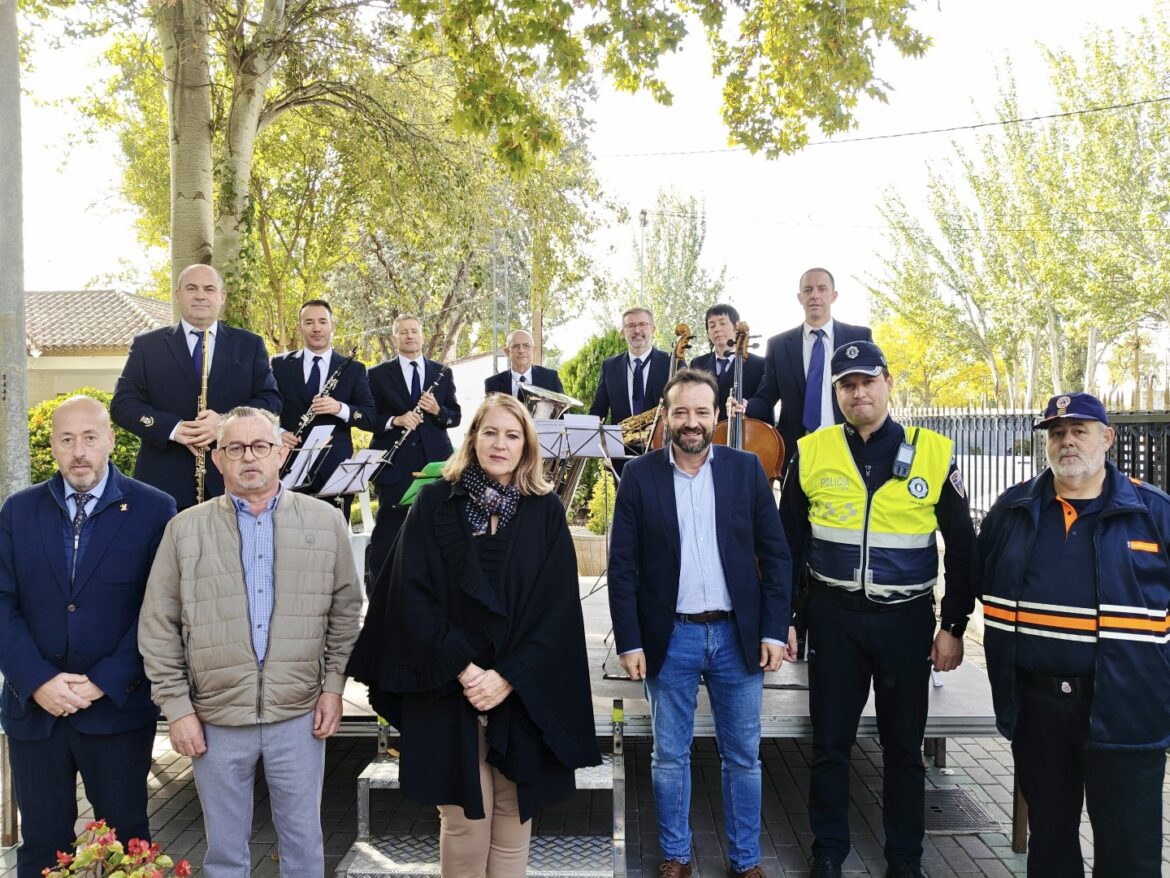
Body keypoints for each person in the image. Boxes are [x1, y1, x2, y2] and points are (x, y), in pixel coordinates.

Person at [347, 393, 600, 878]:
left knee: (511, 818)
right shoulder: (433, 502)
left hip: (518, 686)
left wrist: (506, 676)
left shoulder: (543, 510)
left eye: (512, 435)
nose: (500, 444)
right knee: (464, 821)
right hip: (447, 682)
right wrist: (466, 669)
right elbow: (409, 595)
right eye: (490, 432)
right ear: (473, 438)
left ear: (526, 446)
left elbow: (556, 608)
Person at [779, 341, 975, 878]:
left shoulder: (934, 452)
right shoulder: (812, 450)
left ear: (888, 382)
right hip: (834, 619)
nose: (857, 392)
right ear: (836, 392)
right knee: (831, 744)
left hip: (906, 622)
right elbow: (788, 544)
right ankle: (828, 851)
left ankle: (905, 858)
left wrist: (953, 626)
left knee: (904, 749)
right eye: (846, 384)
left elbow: (962, 546)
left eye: (867, 381)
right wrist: (789, 618)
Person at [138, 406, 361, 877]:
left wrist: (333, 687)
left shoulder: (325, 523)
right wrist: (177, 708)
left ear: (281, 452)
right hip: (215, 719)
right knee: (223, 854)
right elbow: (158, 625)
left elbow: (345, 613)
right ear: (217, 460)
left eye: (260, 446)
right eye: (234, 448)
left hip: (298, 715)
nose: (248, 458)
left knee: (304, 847)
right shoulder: (184, 529)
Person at [607, 367, 793, 878]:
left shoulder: (745, 470)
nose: (691, 422)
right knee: (670, 758)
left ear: (717, 416)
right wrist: (630, 641)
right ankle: (676, 856)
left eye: (701, 412)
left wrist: (775, 628)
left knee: (744, 758)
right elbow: (621, 566)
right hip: (672, 637)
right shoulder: (640, 476)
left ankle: (747, 861)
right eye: (681, 411)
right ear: (666, 417)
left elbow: (775, 556)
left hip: (738, 637)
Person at [977, 392, 1170, 877]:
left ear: (1107, 438)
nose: (1067, 442)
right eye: (1057, 433)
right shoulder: (1013, 510)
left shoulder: (1154, 513)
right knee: (1051, 846)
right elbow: (973, 576)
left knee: (1129, 851)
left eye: (1079, 431)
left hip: (1129, 711)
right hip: (1039, 711)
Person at [0, 396, 176, 878]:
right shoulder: (18, 511)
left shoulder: (155, 509)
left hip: (116, 710)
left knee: (127, 849)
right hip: (35, 714)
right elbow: (2, 603)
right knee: (41, 850)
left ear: (111, 441)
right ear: (53, 446)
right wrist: (38, 681)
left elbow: (158, 610)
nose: (79, 451)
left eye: (90, 438)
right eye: (66, 439)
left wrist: (102, 680)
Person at [111, 263, 281, 510]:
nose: (200, 295)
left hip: (231, 481)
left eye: (209, 289)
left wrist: (224, 423)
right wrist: (173, 428)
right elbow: (122, 406)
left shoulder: (249, 345)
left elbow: (271, 401)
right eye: (192, 288)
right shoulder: (148, 346)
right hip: (163, 481)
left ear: (221, 297)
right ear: (178, 294)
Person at [366, 314, 461, 580]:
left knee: (439, 531)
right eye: (403, 332)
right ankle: (380, 600)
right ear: (394, 337)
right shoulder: (377, 374)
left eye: (414, 331)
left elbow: (455, 416)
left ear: (422, 335)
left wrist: (438, 410)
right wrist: (395, 420)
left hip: (436, 466)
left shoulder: (442, 372)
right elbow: (369, 417)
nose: (409, 336)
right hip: (395, 466)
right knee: (388, 536)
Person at [747, 268, 872, 464]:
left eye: (822, 289)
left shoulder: (859, 338)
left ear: (834, 295)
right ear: (800, 297)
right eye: (808, 290)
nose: (814, 295)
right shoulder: (779, 345)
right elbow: (766, 397)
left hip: (849, 447)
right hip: (796, 452)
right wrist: (745, 406)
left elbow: (872, 389)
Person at [271, 299, 377, 518]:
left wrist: (339, 408)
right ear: (300, 327)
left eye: (322, 321)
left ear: (332, 326)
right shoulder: (279, 365)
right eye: (309, 322)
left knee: (335, 542)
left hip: (335, 472)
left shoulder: (354, 369)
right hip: (289, 465)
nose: (316, 328)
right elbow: (265, 408)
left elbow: (370, 417)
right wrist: (278, 433)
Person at [588, 307, 671, 425]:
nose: (637, 330)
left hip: (659, 441)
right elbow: (599, 409)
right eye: (631, 326)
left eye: (642, 324)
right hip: (620, 441)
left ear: (653, 329)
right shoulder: (609, 366)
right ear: (622, 332)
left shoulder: (671, 362)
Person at [689, 303, 765, 421]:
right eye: (712, 325)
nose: (717, 329)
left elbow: (765, 403)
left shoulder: (759, 364)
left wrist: (747, 405)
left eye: (722, 323)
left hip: (746, 434)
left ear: (736, 327)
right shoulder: (697, 364)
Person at [484, 329, 565, 397]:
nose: (521, 350)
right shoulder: (493, 384)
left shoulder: (551, 378)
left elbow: (563, 414)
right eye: (515, 346)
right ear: (507, 352)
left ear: (534, 350)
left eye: (526, 346)